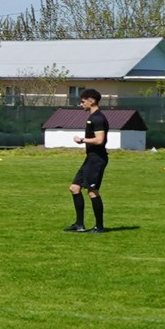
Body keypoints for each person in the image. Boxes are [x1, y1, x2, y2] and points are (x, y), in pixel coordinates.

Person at [67, 89, 110, 234]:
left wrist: (82, 140)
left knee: (92, 191)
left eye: (83, 101)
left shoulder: (98, 118)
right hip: (90, 158)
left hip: (97, 159)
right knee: (74, 188)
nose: (81, 104)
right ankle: (79, 225)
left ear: (92, 101)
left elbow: (99, 140)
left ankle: (99, 227)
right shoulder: (92, 117)